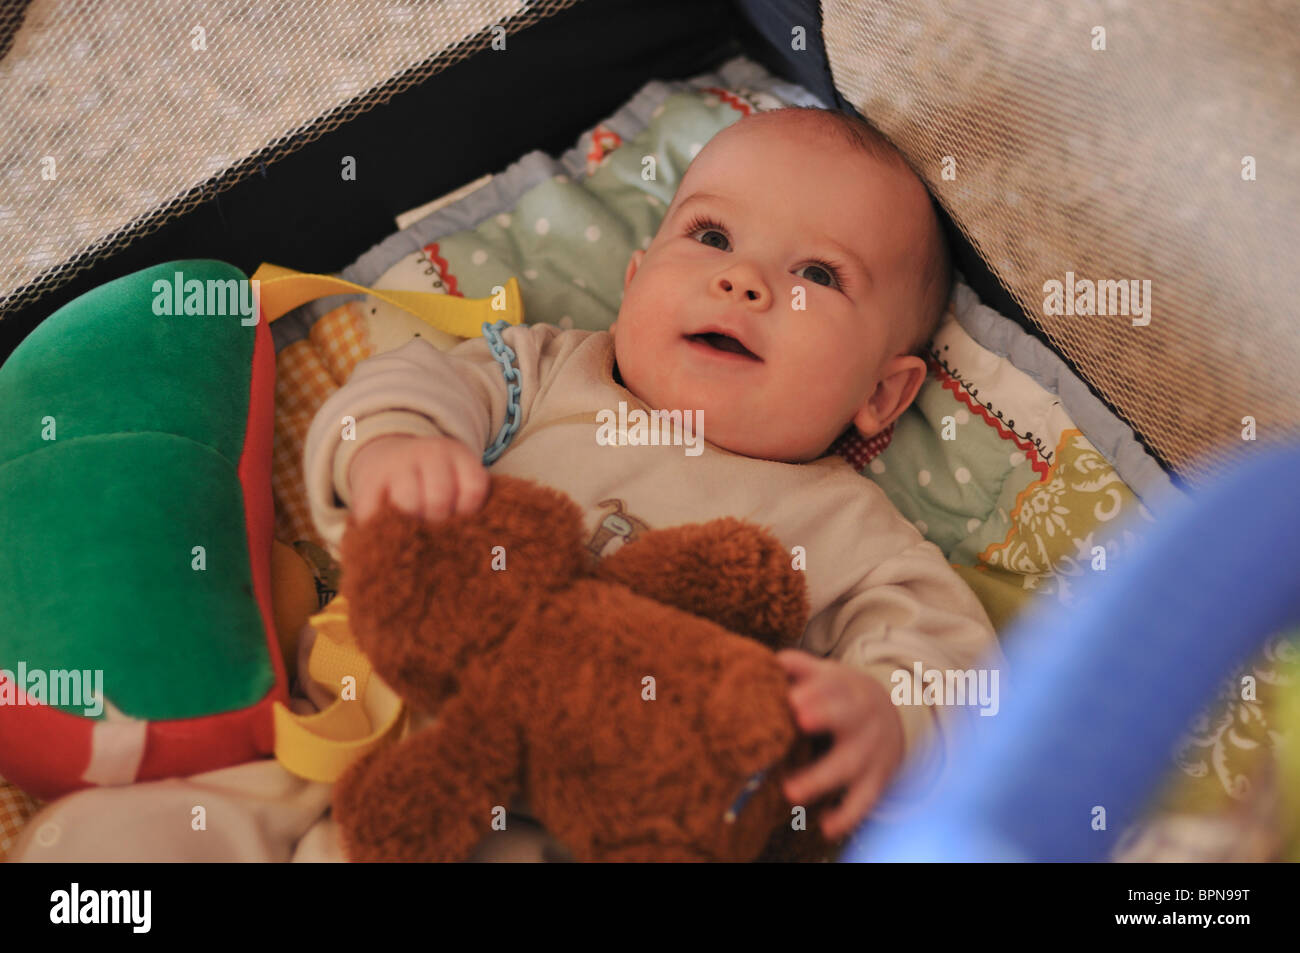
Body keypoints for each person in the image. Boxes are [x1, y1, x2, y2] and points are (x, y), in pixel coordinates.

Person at [303, 105, 1002, 846]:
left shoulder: (848, 528)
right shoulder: (543, 371)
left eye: (818, 275)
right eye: (711, 237)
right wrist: (393, 443)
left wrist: (887, 712)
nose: (742, 280)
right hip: (364, 738)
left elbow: (950, 653)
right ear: (634, 281)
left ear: (881, 394)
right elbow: (408, 382)